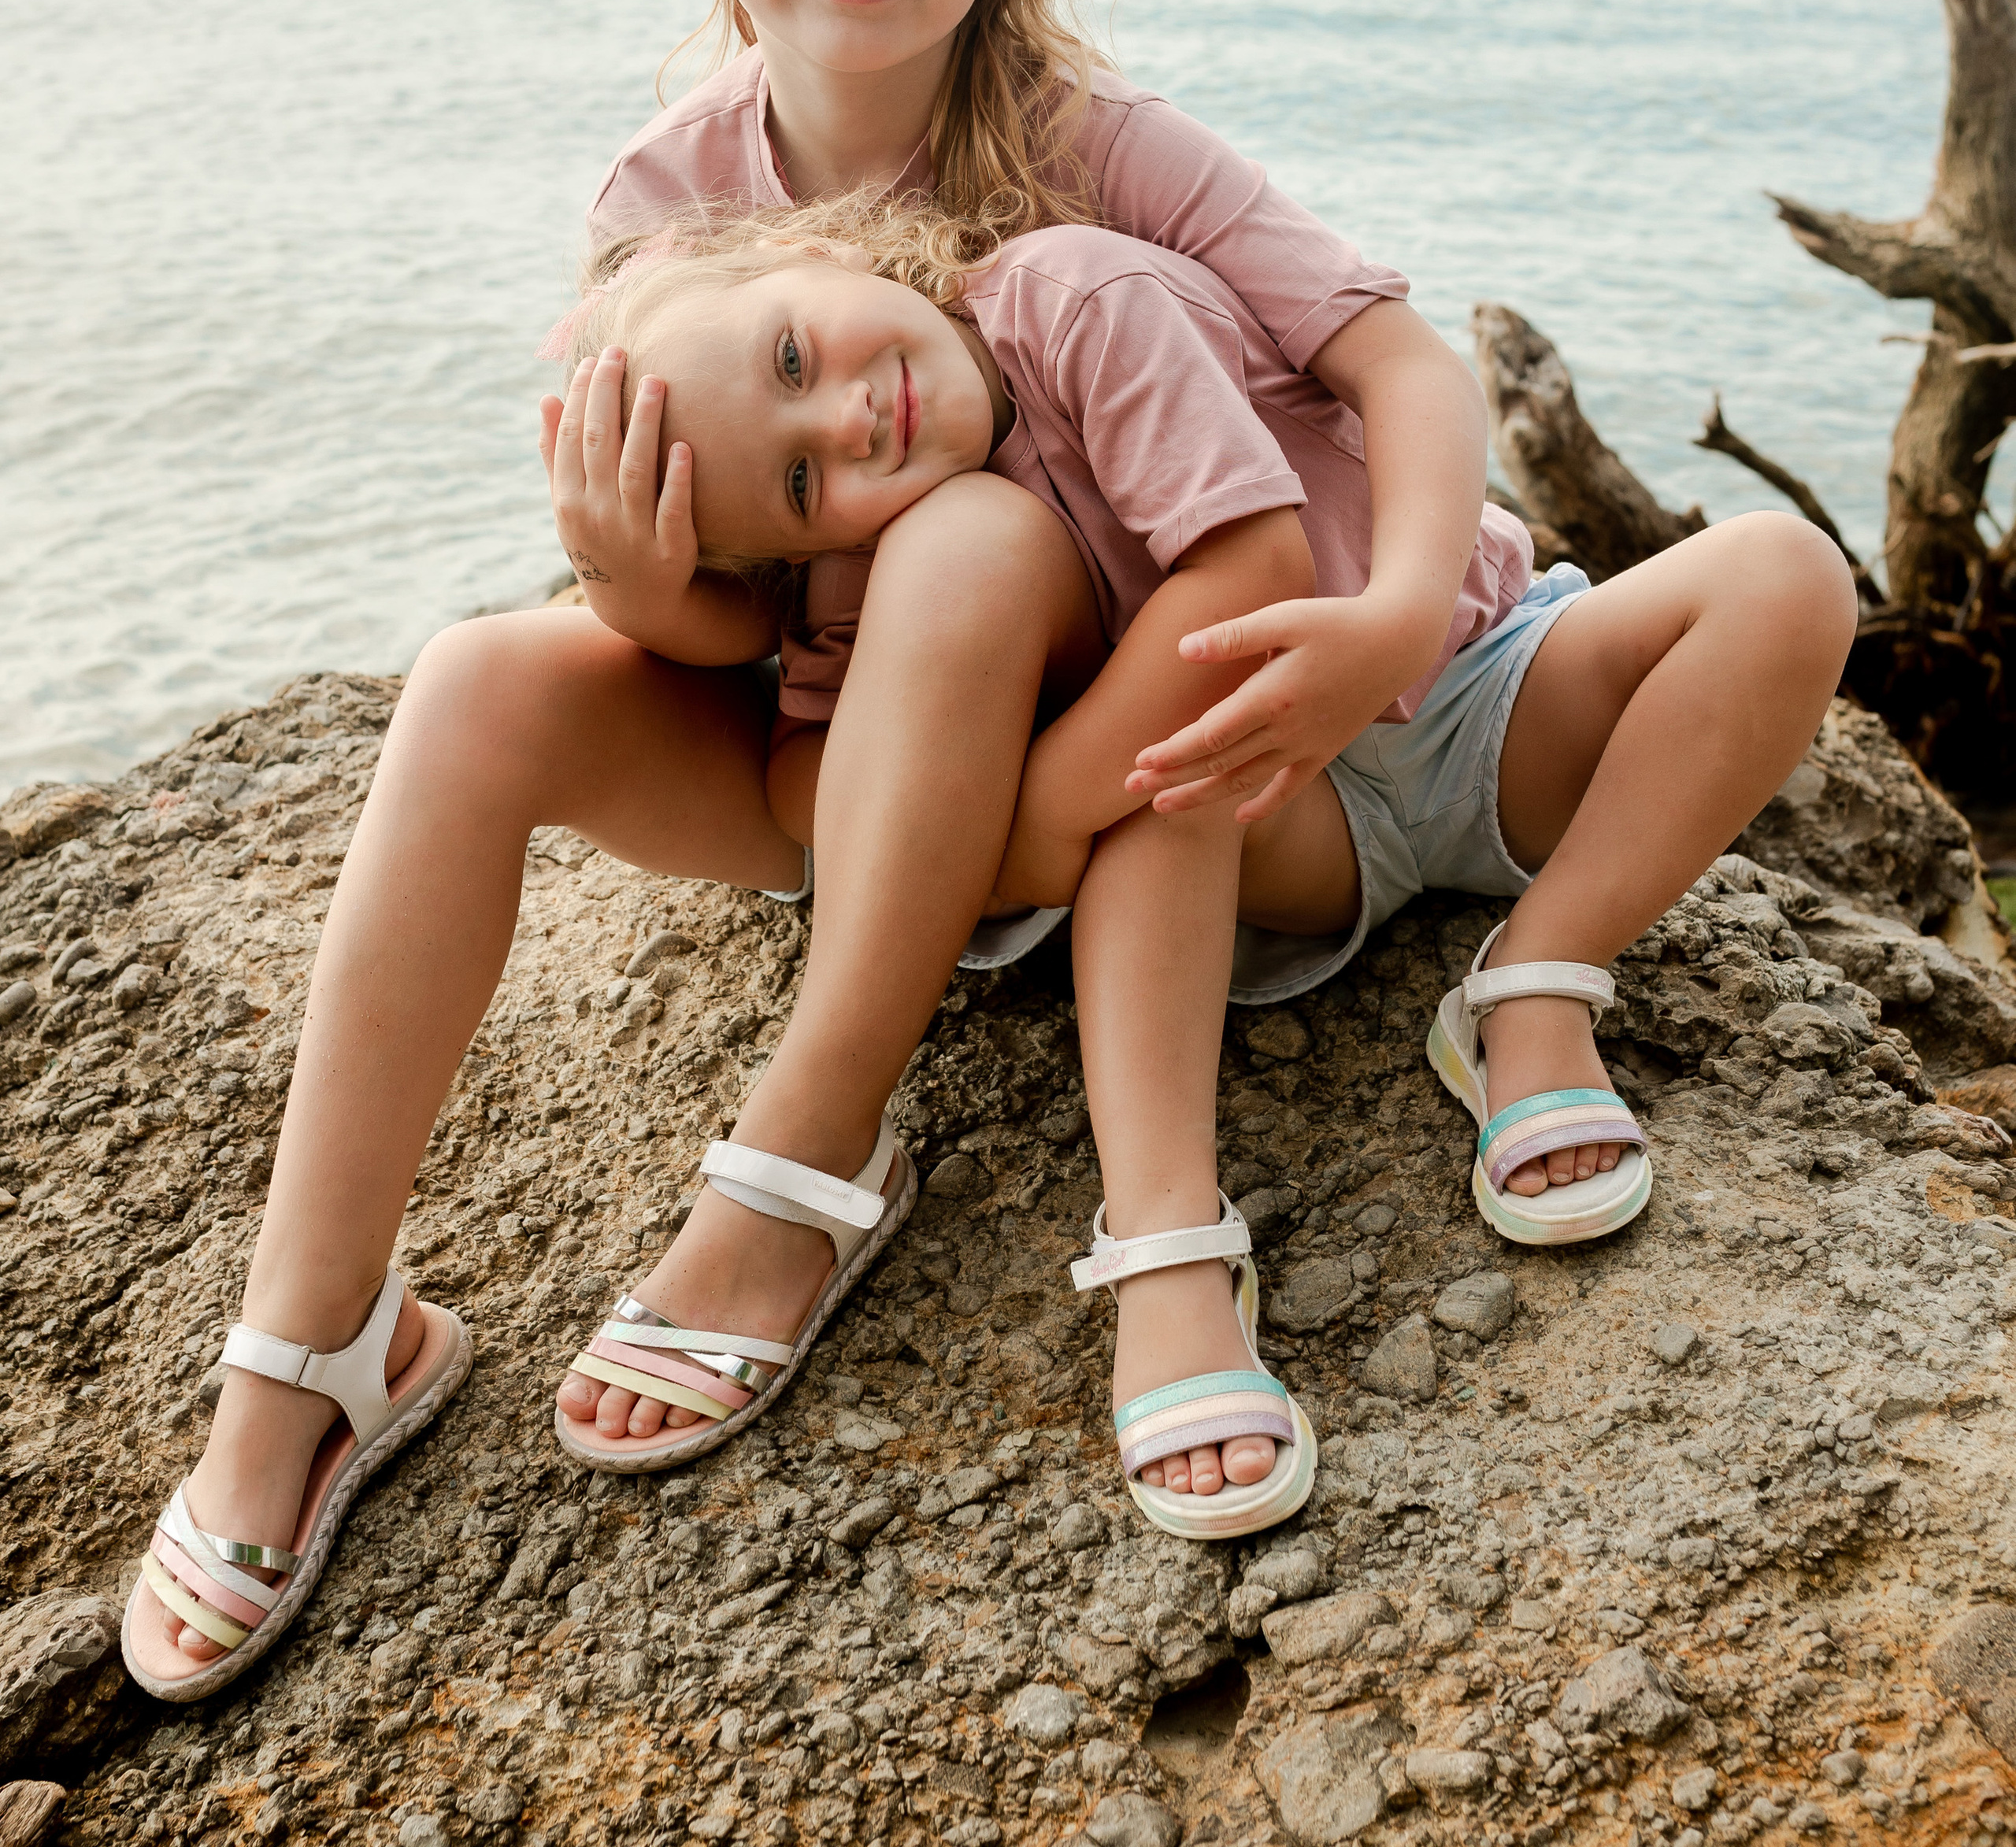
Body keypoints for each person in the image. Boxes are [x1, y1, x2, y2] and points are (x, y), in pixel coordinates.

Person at [124, 0, 1502, 1691]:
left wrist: (1398, 610)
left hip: (1088, 779)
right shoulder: (670, 197)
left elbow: (1397, 355)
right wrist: (635, 587)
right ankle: (314, 1343)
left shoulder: (1099, 154)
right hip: (855, 785)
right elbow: (718, 610)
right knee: (475, 683)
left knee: (959, 527)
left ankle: (807, 1147)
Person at [538, 194, 1857, 1541]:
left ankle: (1537, 977)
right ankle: (1166, 1248)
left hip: (1476, 692)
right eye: (803, 485)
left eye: (791, 360)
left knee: (1784, 572)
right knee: (1168, 758)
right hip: (1273, 814)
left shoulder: (1075, 298)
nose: (842, 425)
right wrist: (653, 608)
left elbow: (1248, 571)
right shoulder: (883, 555)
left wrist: (1032, 818)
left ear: (827, 252)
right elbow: (811, 776)